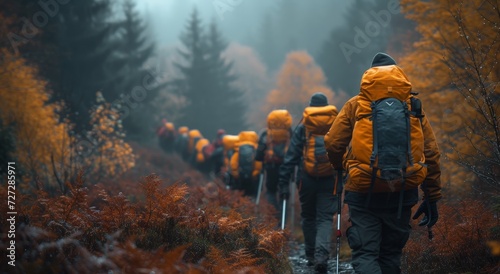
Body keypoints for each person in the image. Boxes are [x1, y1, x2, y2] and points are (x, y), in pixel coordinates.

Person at [324, 52, 442, 274]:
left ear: (369, 77)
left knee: (366, 253)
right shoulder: (413, 106)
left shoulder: (356, 105)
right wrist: (432, 196)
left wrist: (340, 165)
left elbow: (332, 142)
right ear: (399, 76)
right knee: (390, 255)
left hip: (363, 189)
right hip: (403, 189)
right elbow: (431, 152)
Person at [278, 92, 339, 273]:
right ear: (327, 105)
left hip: (306, 180)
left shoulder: (304, 127)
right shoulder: (335, 124)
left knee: (308, 217)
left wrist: (283, 182)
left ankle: (311, 255)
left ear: (311, 106)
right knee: (324, 218)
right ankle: (322, 256)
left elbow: (291, 157)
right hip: (330, 179)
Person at [255, 109, 293, 211]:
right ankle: (283, 218)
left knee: (271, 191)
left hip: (270, 167)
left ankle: (273, 215)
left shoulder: (265, 133)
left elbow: (258, 156)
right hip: (286, 167)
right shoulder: (290, 133)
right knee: (284, 191)